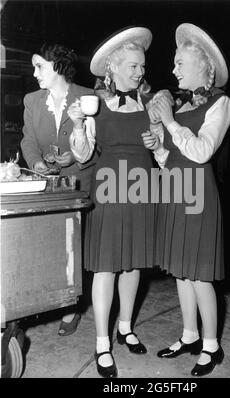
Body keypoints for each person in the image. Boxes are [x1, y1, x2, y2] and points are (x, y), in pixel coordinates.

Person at [142, 23, 230, 377]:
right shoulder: (178, 105)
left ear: (202, 66)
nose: (174, 69)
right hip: (175, 188)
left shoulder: (220, 102)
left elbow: (202, 151)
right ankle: (190, 335)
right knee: (181, 270)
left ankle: (212, 346)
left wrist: (170, 124)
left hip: (198, 192)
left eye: (180, 63)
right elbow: (172, 157)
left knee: (199, 275)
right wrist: (159, 147)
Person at [67, 26, 157, 378]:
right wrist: (77, 124)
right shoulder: (95, 105)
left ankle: (125, 327)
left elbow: (164, 155)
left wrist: (156, 144)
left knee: (133, 264)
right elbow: (84, 154)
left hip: (142, 190)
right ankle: (103, 342)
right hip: (108, 189)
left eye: (142, 66)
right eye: (134, 66)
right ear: (114, 68)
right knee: (106, 266)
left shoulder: (149, 104)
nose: (140, 72)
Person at [21, 43, 97, 337]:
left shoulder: (88, 98)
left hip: (79, 184)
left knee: (74, 246)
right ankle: (46, 300)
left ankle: (71, 307)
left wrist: (74, 156)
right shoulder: (31, 100)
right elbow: (28, 140)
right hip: (47, 185)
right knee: (47, 245)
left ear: (58, 67)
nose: (34, 72)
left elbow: (97, 144)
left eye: (39, 66)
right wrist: (37, 161)